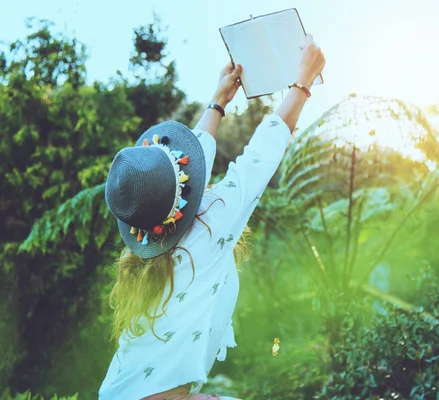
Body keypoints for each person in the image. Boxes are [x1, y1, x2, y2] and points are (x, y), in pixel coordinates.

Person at [98, 34, 325, 399]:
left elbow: (191, 159)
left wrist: (218, 101)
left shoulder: (147, 240)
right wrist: (302, 83)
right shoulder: (210, 222)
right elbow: (257, 160)